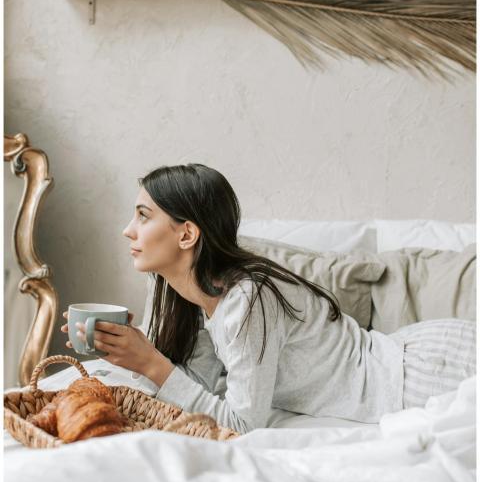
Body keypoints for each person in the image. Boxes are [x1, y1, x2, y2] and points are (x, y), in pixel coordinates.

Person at [61, 164, 476, 434]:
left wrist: (151, 362)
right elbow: (199, 391)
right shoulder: (190, 294)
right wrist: (132, 354)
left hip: (422, 375)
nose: (127, 230)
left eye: (143, 216)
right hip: (410, 359)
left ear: (186, 234)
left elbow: (241, 425)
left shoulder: (248, 300)